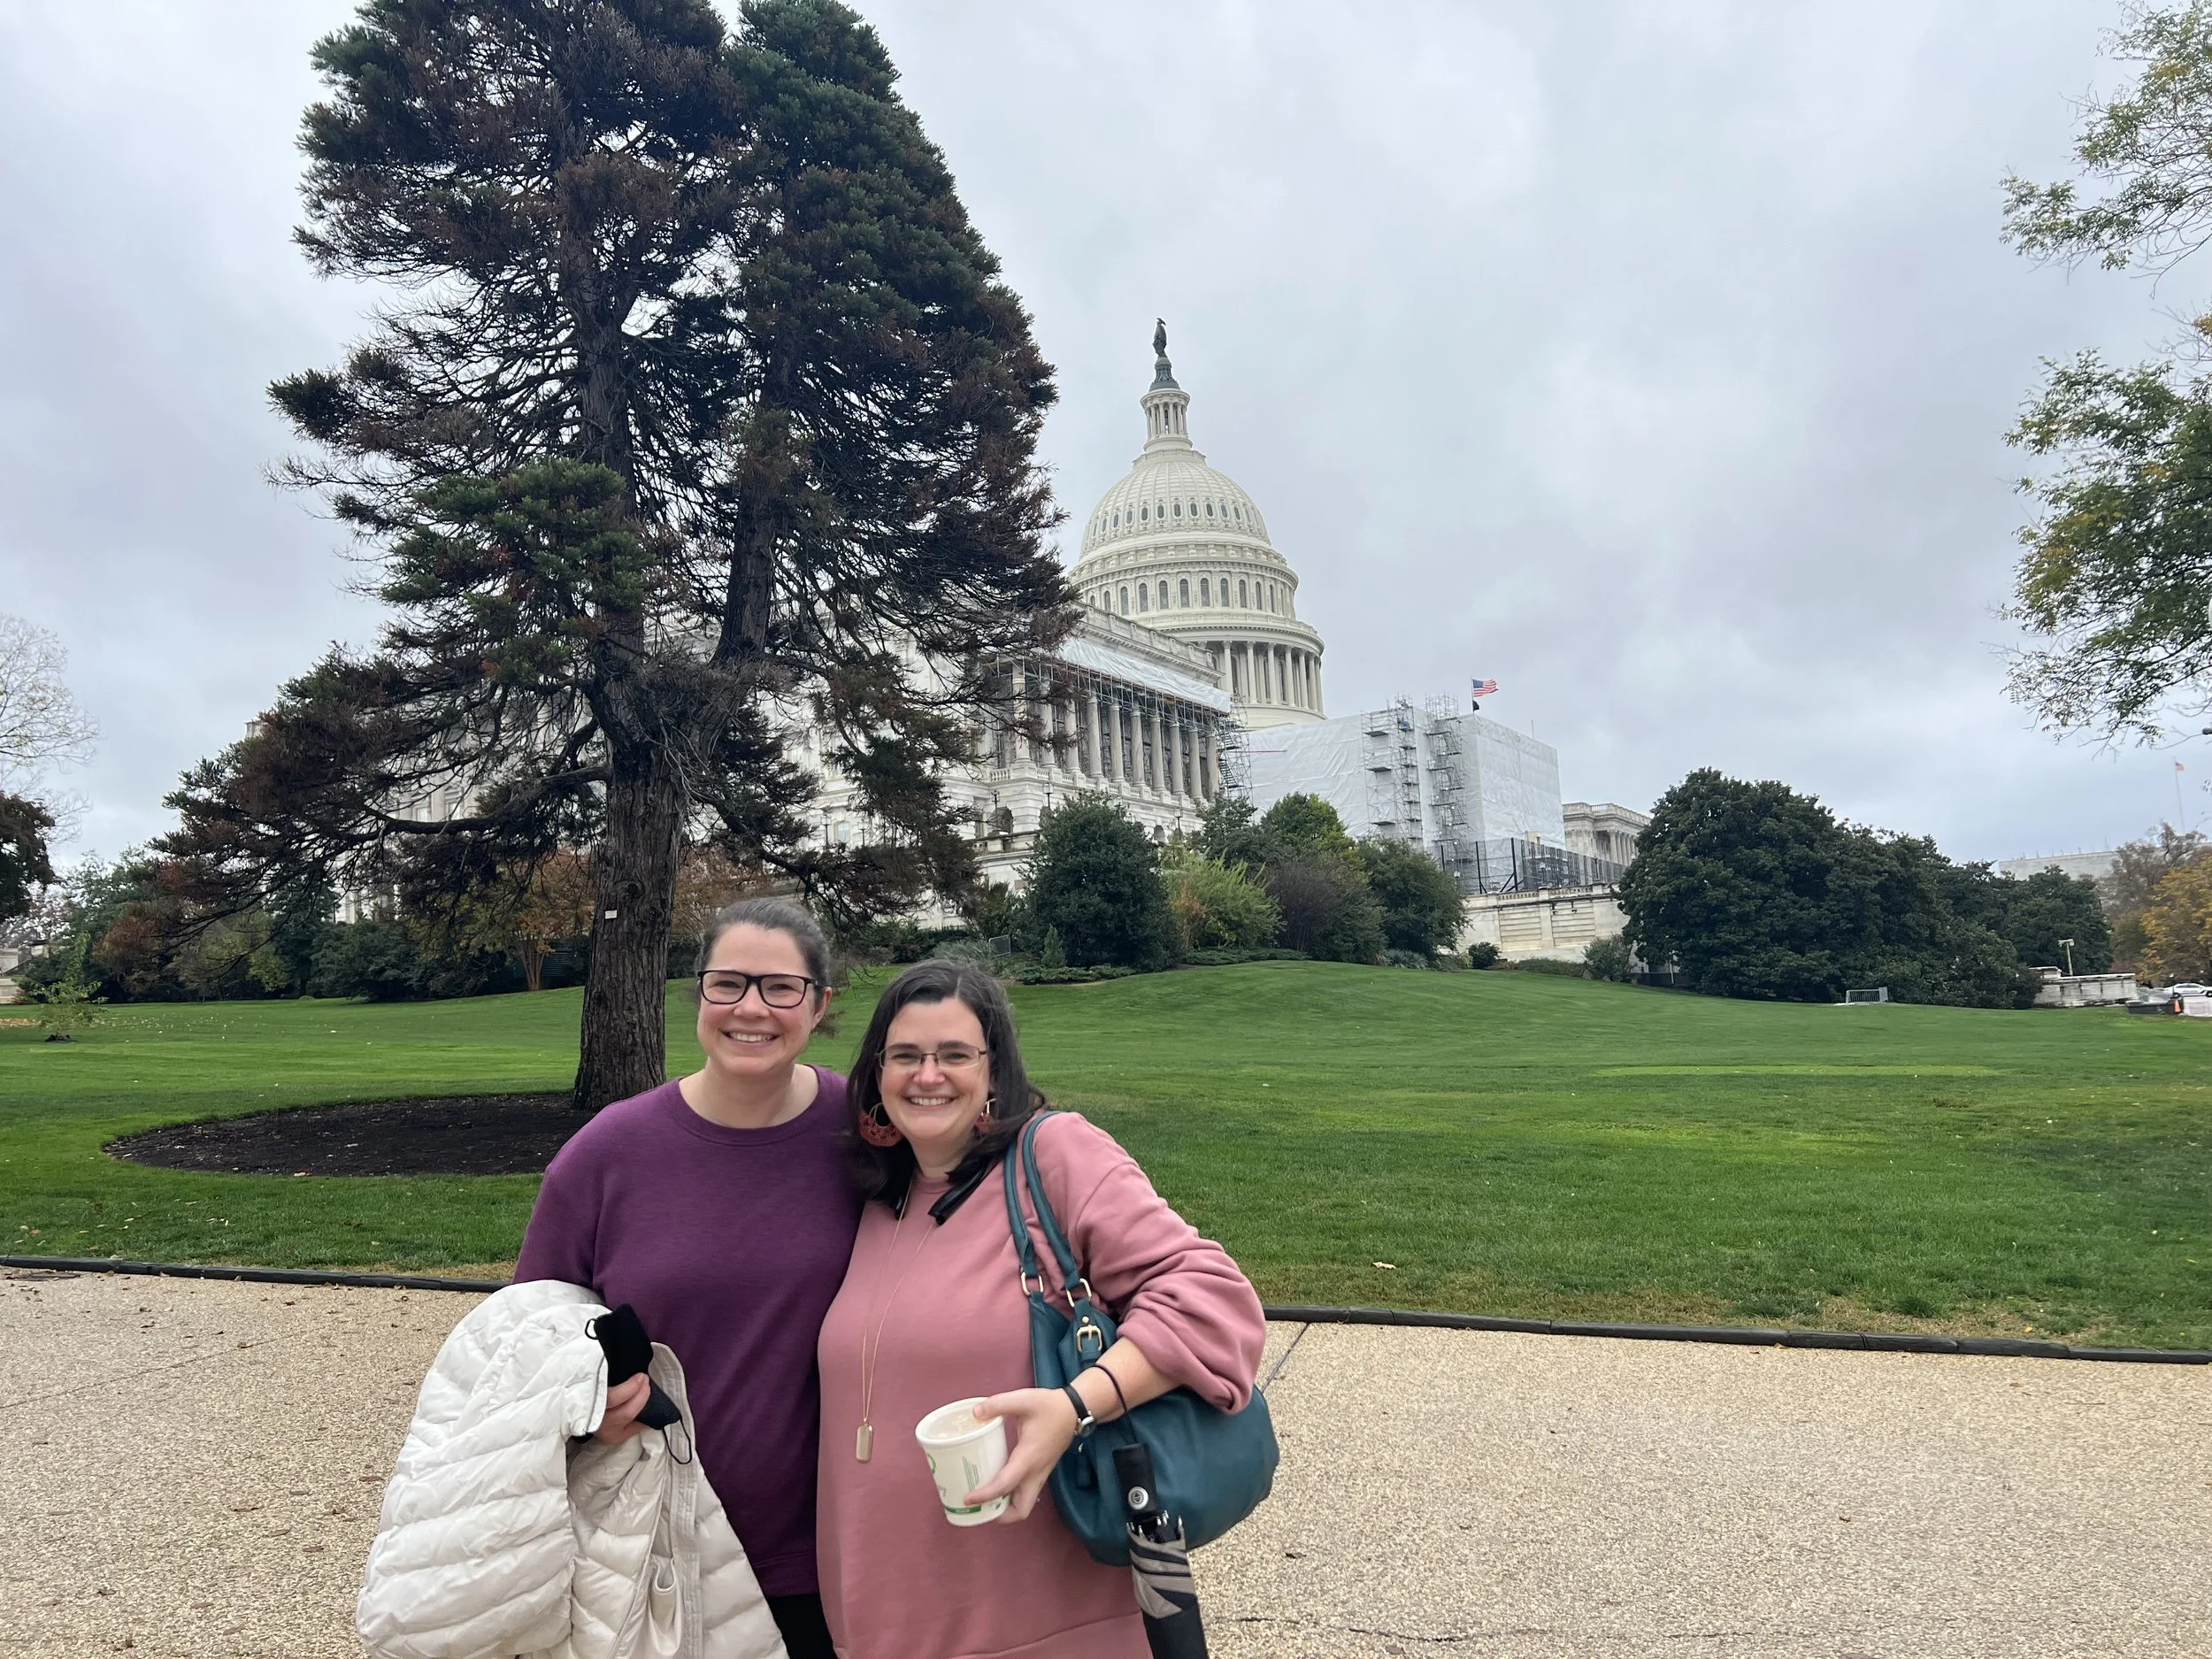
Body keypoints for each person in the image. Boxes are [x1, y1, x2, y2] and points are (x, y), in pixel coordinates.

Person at [816, 961, 1267, 1659]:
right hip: (883, 1623)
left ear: (994, 1071)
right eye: (904, 1055)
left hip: (1043, 1626)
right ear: (877, 1074)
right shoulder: (879, 1201)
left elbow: (1211, 1296)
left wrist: (1076, 1405)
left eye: (955, 1054)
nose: (927, 1074)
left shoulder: (1049, 1154)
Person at [516, 897, 859, 1659]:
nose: (751, 1008)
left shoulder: (868, 1133)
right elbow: (522, 1347)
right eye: (728, 983)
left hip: (836, 1558)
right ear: (698, 992)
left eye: (781, 987)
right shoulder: (608, 1154)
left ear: (819, 1004)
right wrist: (588, 1411)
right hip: (658, 1551)